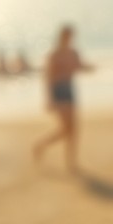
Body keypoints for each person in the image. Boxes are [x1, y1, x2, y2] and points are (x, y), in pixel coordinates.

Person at [32, 26, 94, 173]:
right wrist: (49, 99)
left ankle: (71, 162)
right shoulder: (55, 54)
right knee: (66, 128)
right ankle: (40, 145)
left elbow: (78, 68)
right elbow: (47, 77)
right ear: (61, 37)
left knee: (73, 129)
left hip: (69, 90)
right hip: (57, 91)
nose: (69, 39)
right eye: (67, 36)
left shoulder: (74, 53)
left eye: (71, 36)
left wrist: (89, 67)